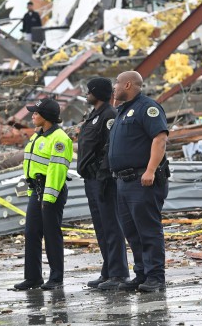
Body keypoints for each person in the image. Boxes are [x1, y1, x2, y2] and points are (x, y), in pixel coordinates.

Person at [107, 71, 170, 292]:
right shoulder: (122, 111)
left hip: (143, 180)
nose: (113, 88)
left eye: (116, 83)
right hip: (124, 182)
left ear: (127, 84)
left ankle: (155, 278)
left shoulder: (147, 108)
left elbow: (160, 139)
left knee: (148, 230)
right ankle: (141, 274)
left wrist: (151, 170)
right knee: (132, 232)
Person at [14, 98, 73, 291]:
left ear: (46, 117)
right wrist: (33, 191)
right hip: (37, 191)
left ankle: (56, 278)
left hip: (51, 192)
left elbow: (57, 171)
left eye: (36, 113)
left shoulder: (60, 139)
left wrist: (48, 198)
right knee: (31, 233)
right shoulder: (37, 136)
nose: (32, 116)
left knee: (51, 234)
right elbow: (31, 166)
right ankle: (33, 278)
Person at [77, 77, 129, 290]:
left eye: (89, 91)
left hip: (103, 180)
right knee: (101, 227)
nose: (86, 94)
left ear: (97, 93)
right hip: (92, 179)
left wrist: (104, 174)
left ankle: (118, 273)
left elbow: (110, 147)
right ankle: (108, 270)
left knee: (111, 226)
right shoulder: (94, 115)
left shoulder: (109, 115)